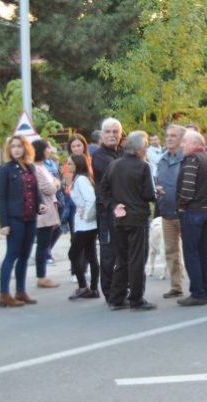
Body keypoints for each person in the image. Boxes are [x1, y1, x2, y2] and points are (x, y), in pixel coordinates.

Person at [101, 131, 156, 311]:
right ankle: (136, 298)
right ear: (140, 149)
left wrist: (114, 205)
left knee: (122, 258)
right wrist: (157, 193)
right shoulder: (143, 167)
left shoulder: (113, 165)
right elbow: (148, 194)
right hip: (137, 217)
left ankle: (116, 298)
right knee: (137, 259)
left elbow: (103, 192)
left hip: (119, 217)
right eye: (145, 147)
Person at [0, 135, 45, 308]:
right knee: (12, 255)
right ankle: (4, 294)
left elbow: (35, 190)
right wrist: (4, 224)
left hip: (30, 218)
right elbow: (1, 199)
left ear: (25, 148)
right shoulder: (5, 170)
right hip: (14, 219)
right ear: (9, 150)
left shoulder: (30, 168)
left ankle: (20, 291)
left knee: (24, 256)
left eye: (19, 146)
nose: (16, 149)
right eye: (13, 146)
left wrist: (41, 205)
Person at [176, 130, 207, 306]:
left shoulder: (192, 159)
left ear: (195, 143)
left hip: (194, 211)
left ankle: (197, 292)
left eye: (184, 142)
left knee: (192, 253)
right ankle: (204, 291)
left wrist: (180, 205)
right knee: (204, 253)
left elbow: (187, 188)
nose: (181, 145)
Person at [91, 117, 124, 301]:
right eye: (108, 132)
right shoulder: (99, 156)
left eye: (115, 132)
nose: (112, 135)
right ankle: (109, 292)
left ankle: (120, 290)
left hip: (123, 212)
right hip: (107, 212)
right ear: (102, 135)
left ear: (120, 135)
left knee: (122, 253)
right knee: (108, 253)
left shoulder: (121, 153)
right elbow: (119, 175)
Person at [155, 124, 186, 299]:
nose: (169, 139)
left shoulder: (186, 158)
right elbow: (156, 180)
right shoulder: (162, 159)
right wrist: (157, 190)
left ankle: (199, 286)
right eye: (167, 135)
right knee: (171, 251)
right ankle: (176, 285)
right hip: (166, 211)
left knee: (190, 250)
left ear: (182, 139)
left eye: (173, 136)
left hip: (184, 211)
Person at [67, 154, 100, 300]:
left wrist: (85, 214)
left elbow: (91, 199)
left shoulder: (81, 179)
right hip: (85, 224)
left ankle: (83, 287)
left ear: (78, 164)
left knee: (73, 253)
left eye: (70, 164)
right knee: (90, 255)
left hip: (86, 225)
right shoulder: (80, 178)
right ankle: (93, 289)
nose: (67, 166)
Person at [31, 139, 61, 289]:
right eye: (47, 148)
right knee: (42, 245)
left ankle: (42, 272)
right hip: (43, 211)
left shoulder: (42, 166)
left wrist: (55, 183)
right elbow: (48, 188)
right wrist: (55, 184)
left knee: (53, 235)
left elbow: (54, 182)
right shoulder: (35, 168)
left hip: (50, 209)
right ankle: (41, 276)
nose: (50, 150)